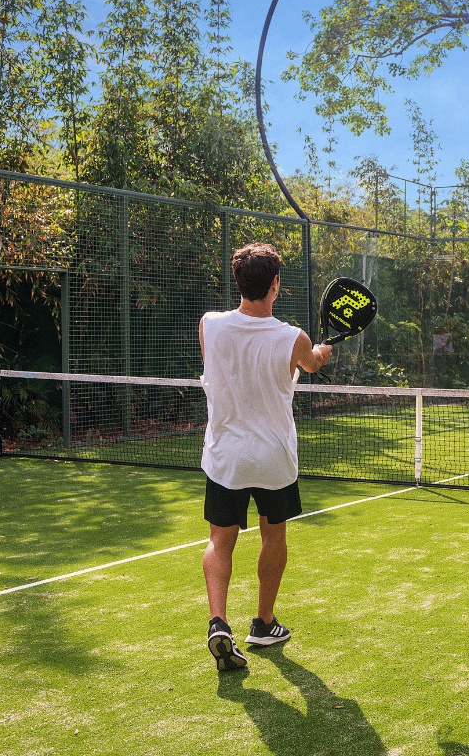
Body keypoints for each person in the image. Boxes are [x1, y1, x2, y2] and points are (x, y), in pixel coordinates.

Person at [199, 243, 332, 671]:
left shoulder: (210, 326)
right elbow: (311, 364)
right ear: (275, 284)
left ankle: (219, 622)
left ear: (238, 281)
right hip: (274, 458)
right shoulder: (295, 338)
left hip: (226, 458)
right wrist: (321, 354)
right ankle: (264, 622)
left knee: (220, 541)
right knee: (274, 537)